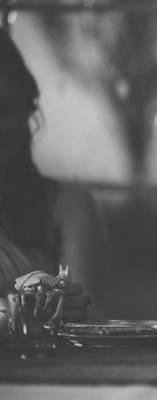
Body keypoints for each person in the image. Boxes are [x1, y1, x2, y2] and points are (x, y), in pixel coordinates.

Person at [0, 27, 109, 322]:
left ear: (28, 110)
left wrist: (73, 309)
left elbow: (89, 314)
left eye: (5, 108)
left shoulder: (70, 206)